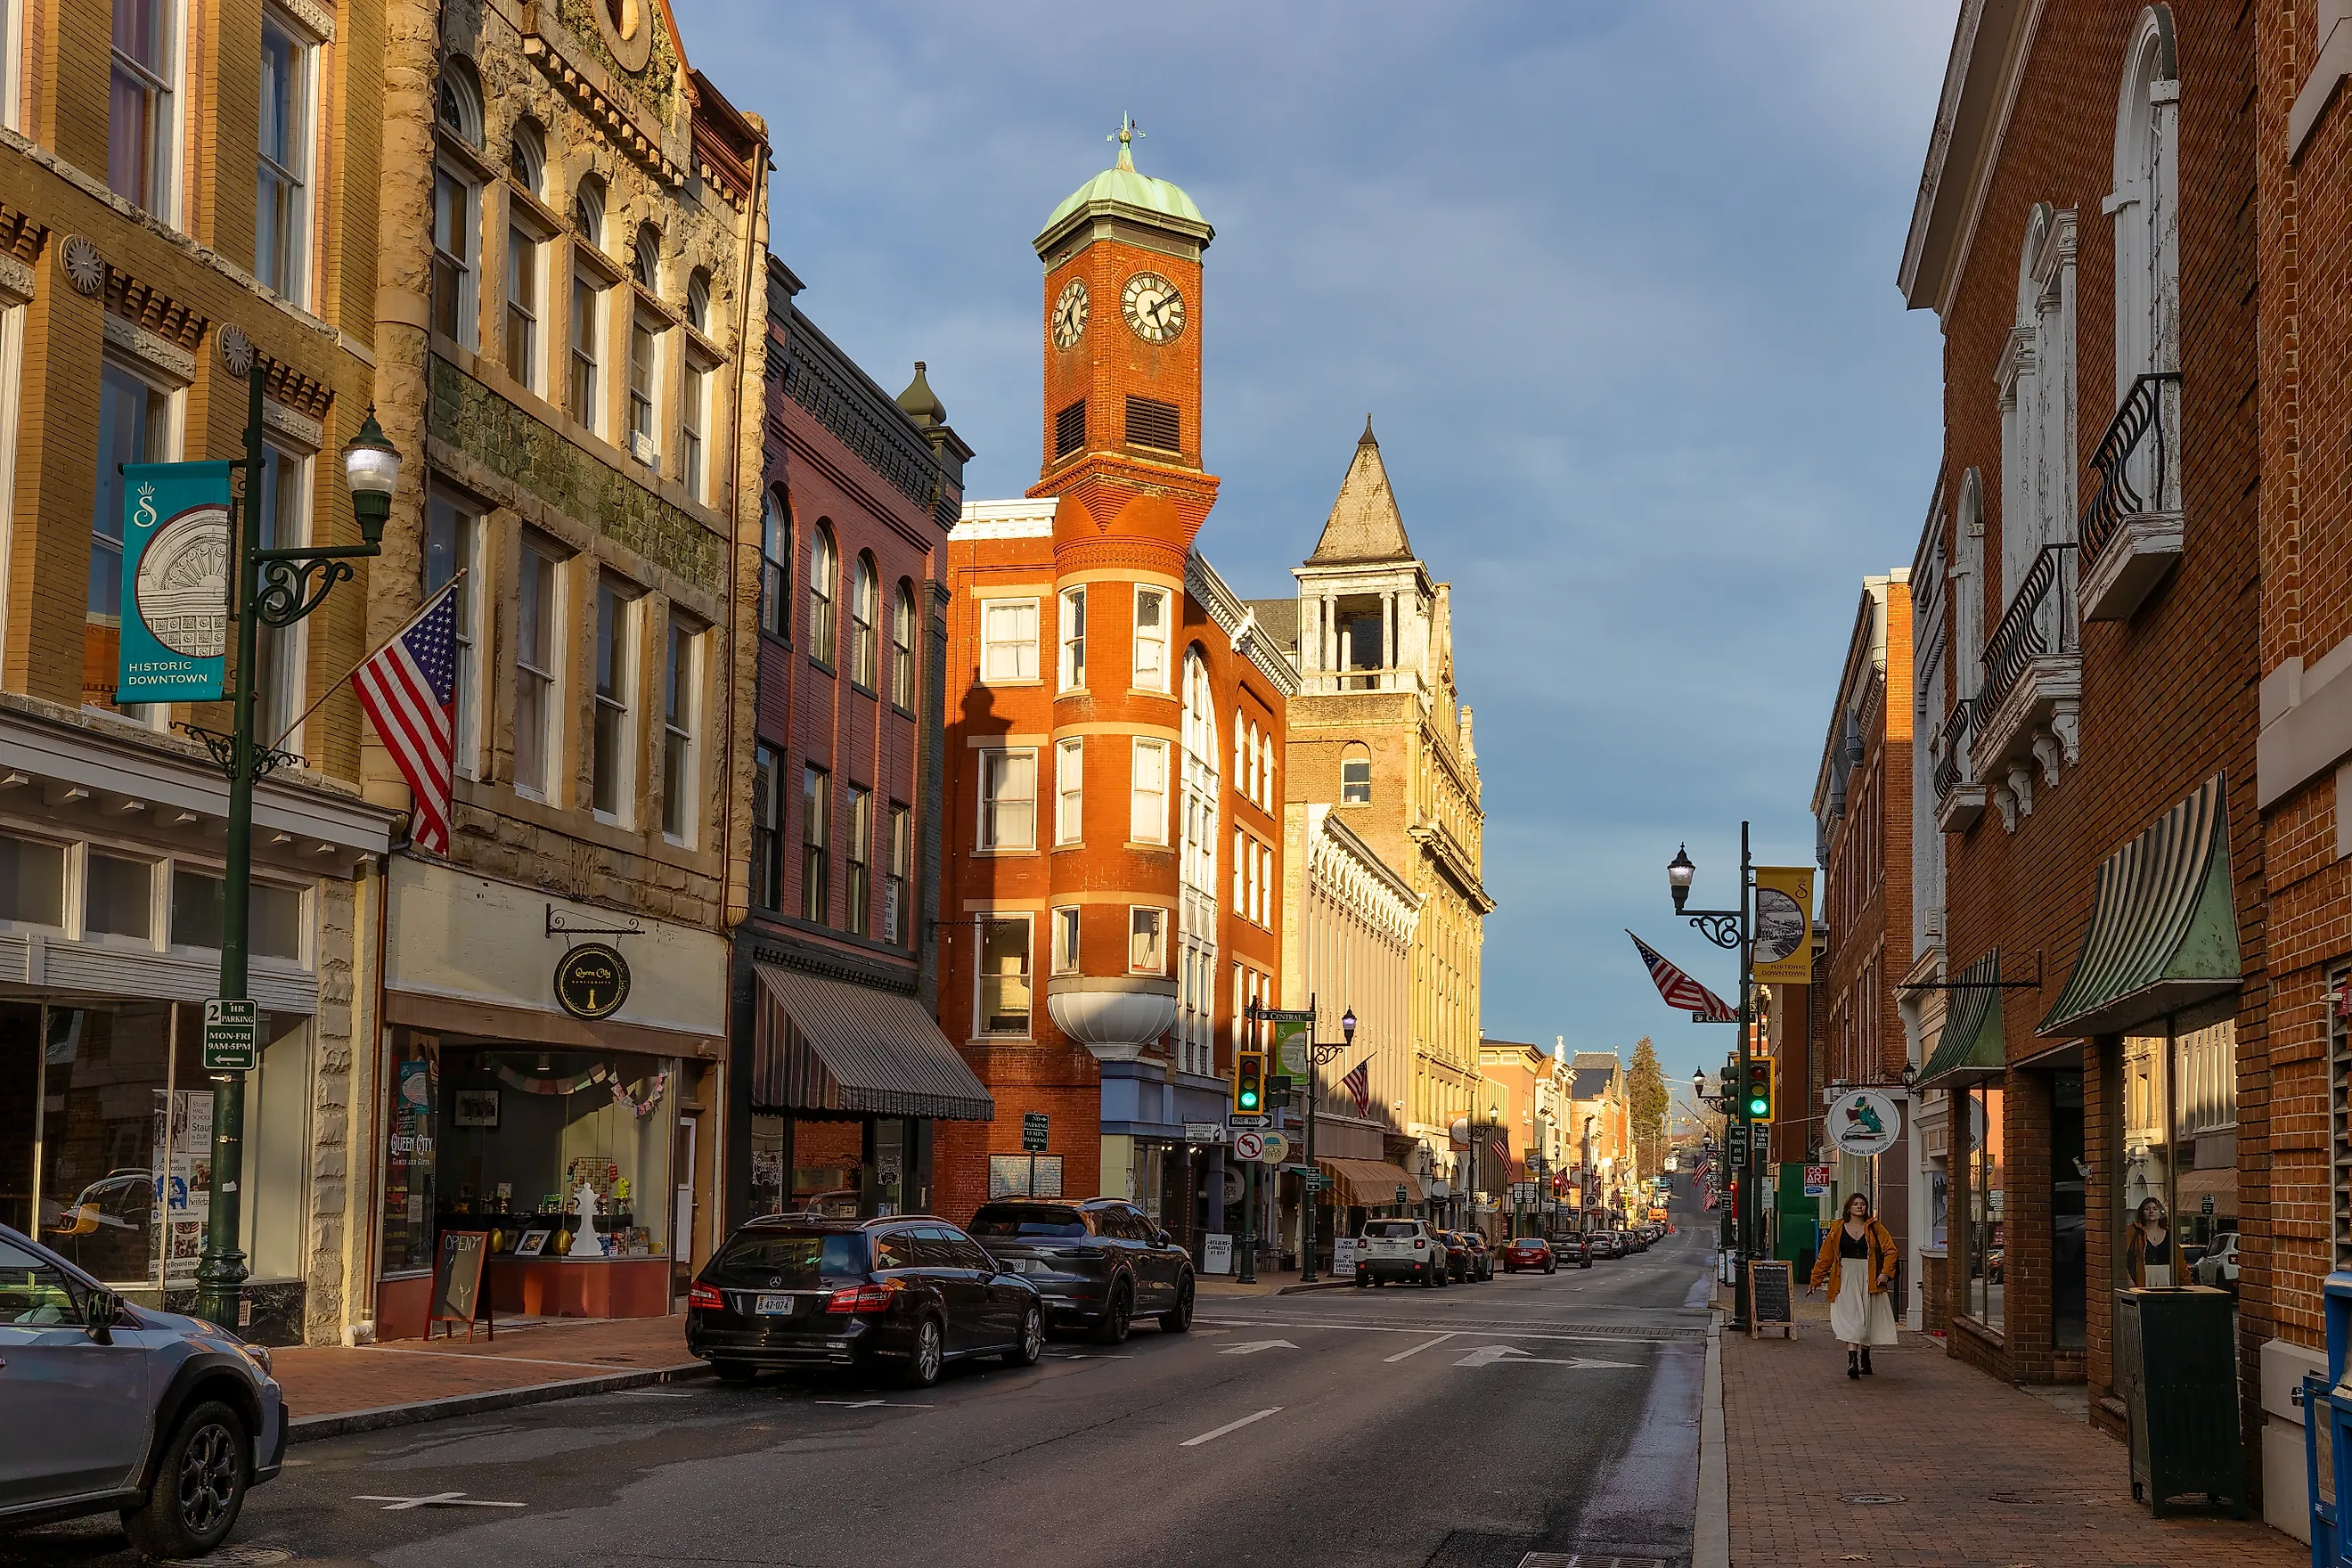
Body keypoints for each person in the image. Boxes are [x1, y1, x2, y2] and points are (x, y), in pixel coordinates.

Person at [1809, 1191, 1898, 1377]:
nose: (1859, 1206)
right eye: (1855, 1203)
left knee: (1867, 1317)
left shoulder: (1875, 1227)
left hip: (1869, 1275)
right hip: (1845, 1276)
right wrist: (1815, 1280)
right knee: (1852, 1317)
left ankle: (1865, 1356)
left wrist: (1885, 1273)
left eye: (1862, 1203)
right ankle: (1852, 1361)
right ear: (1848, 1207)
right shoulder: (1837, 1228)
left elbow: (1890, 1250)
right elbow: (1826, 1257)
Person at [2126, 1196, 2174, 1287]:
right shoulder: (2135, 1232)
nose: (2151, 1212)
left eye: (2155, 1209)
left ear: (2160, 1212)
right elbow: (2123, 1257)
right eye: (2147, 1209)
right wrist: (2129, 1279)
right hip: (2143, 1277)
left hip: (2167, 1278)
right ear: (2142, 1213)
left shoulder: (2169, 1233)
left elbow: (2179, 1261)